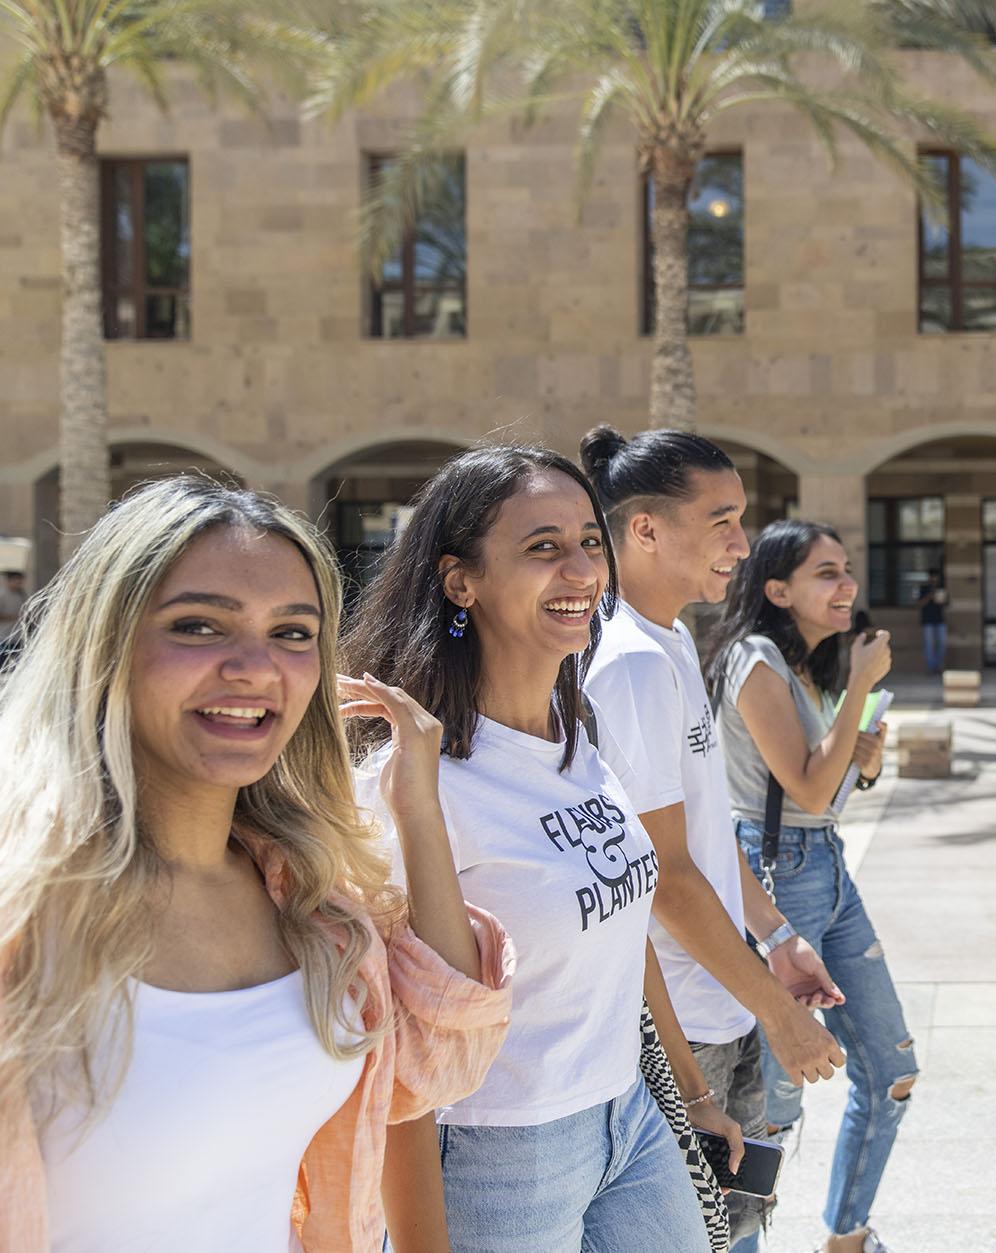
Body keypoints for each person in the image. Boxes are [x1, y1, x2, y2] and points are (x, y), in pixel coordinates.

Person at [0, 477, 512, 1250]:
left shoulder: (306, 899)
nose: (255, 665)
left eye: (294, 632)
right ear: (104, 645)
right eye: (200, 625)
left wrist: (418, 811)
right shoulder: (23, 912)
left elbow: (439, 1058)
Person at [343, 445, 716, 1252]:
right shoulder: (409, 787)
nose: (581, 570)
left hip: (630, 1118)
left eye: (590, 542)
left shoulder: (582, 738)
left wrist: (688, 1090)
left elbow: (620, 924)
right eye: (543, 547)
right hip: (494, 1151)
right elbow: (393, 1045)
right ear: (460, 581)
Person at [579, 426, 848, 1251]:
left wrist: (776, 935)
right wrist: (779, 1014)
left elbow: (704, 830)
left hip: (723, 1001)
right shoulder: (625, 661)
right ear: (645, 529)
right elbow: (662, 872)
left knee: (737, 1234)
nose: (740, 541)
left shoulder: (668, 641)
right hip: (681, 1026)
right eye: (720, 519)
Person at [705, 522, 912, 1253]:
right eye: (826, 572)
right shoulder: (754, 659)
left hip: (826, 864)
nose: (847, 585)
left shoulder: (805, 668)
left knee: (892, 1070)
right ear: (776, 589)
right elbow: (807, 789)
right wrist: (860, 685)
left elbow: (828, 792)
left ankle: (845, 1237)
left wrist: (868, 758)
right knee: (771, 1105)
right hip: (774, 873)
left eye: (848, 569)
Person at [916, 571, 947, 674]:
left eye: (936, 577)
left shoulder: (942, 587)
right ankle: (931, 668)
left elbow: (946, 603)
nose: (934, 580)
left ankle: (938, 666)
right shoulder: (924, 588)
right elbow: (919, 603)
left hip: (940, 620)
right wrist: (930, 595)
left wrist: (941, 599)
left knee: (942, 644)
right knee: (929, 645)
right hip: (927, 621)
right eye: (932, 577)